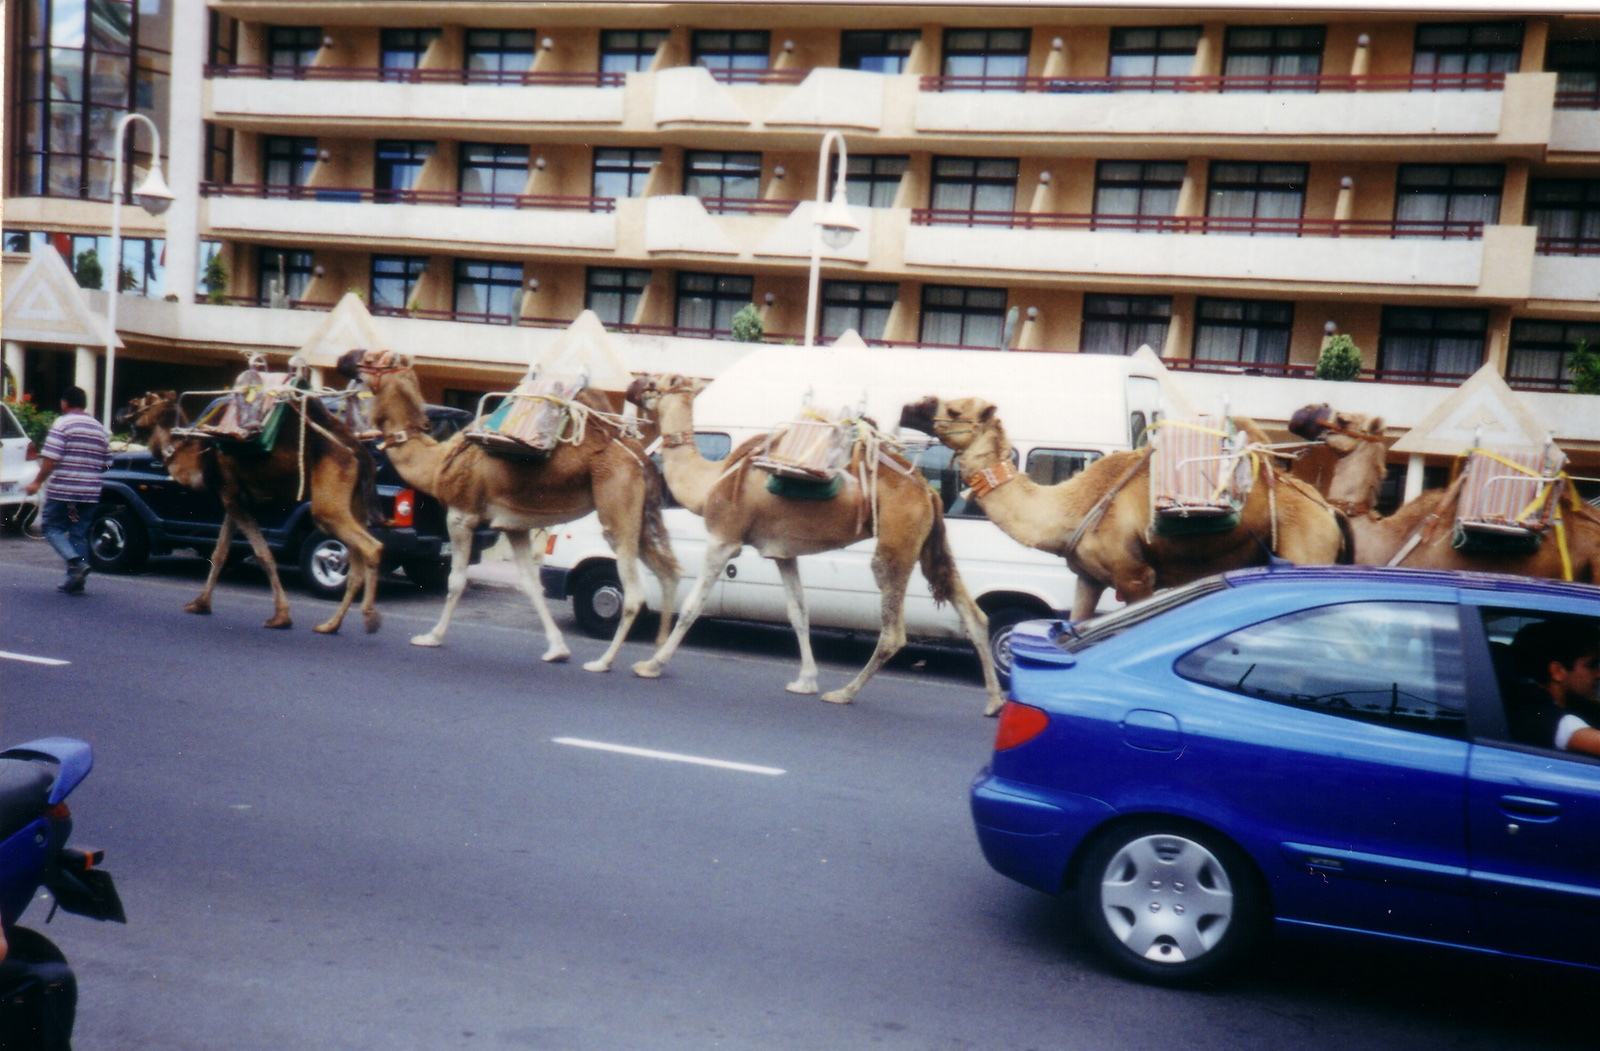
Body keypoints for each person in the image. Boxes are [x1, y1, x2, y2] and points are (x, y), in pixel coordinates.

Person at [23, 386, 112, 595]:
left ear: (65, 402)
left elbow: (50, 459)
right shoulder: (99, 428)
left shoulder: (63, 424)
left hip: (64, 490)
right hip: (90, 492)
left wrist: (37, 481)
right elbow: (107, 463)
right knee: (78, 533)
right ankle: (76, 581)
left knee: (51, 527)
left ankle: (75, 562)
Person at [1506, 618, 1600, 757]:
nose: (1598, 674)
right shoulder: (1542, 718)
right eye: (1591, 665)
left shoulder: (1538, 704)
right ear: (1558, 671)